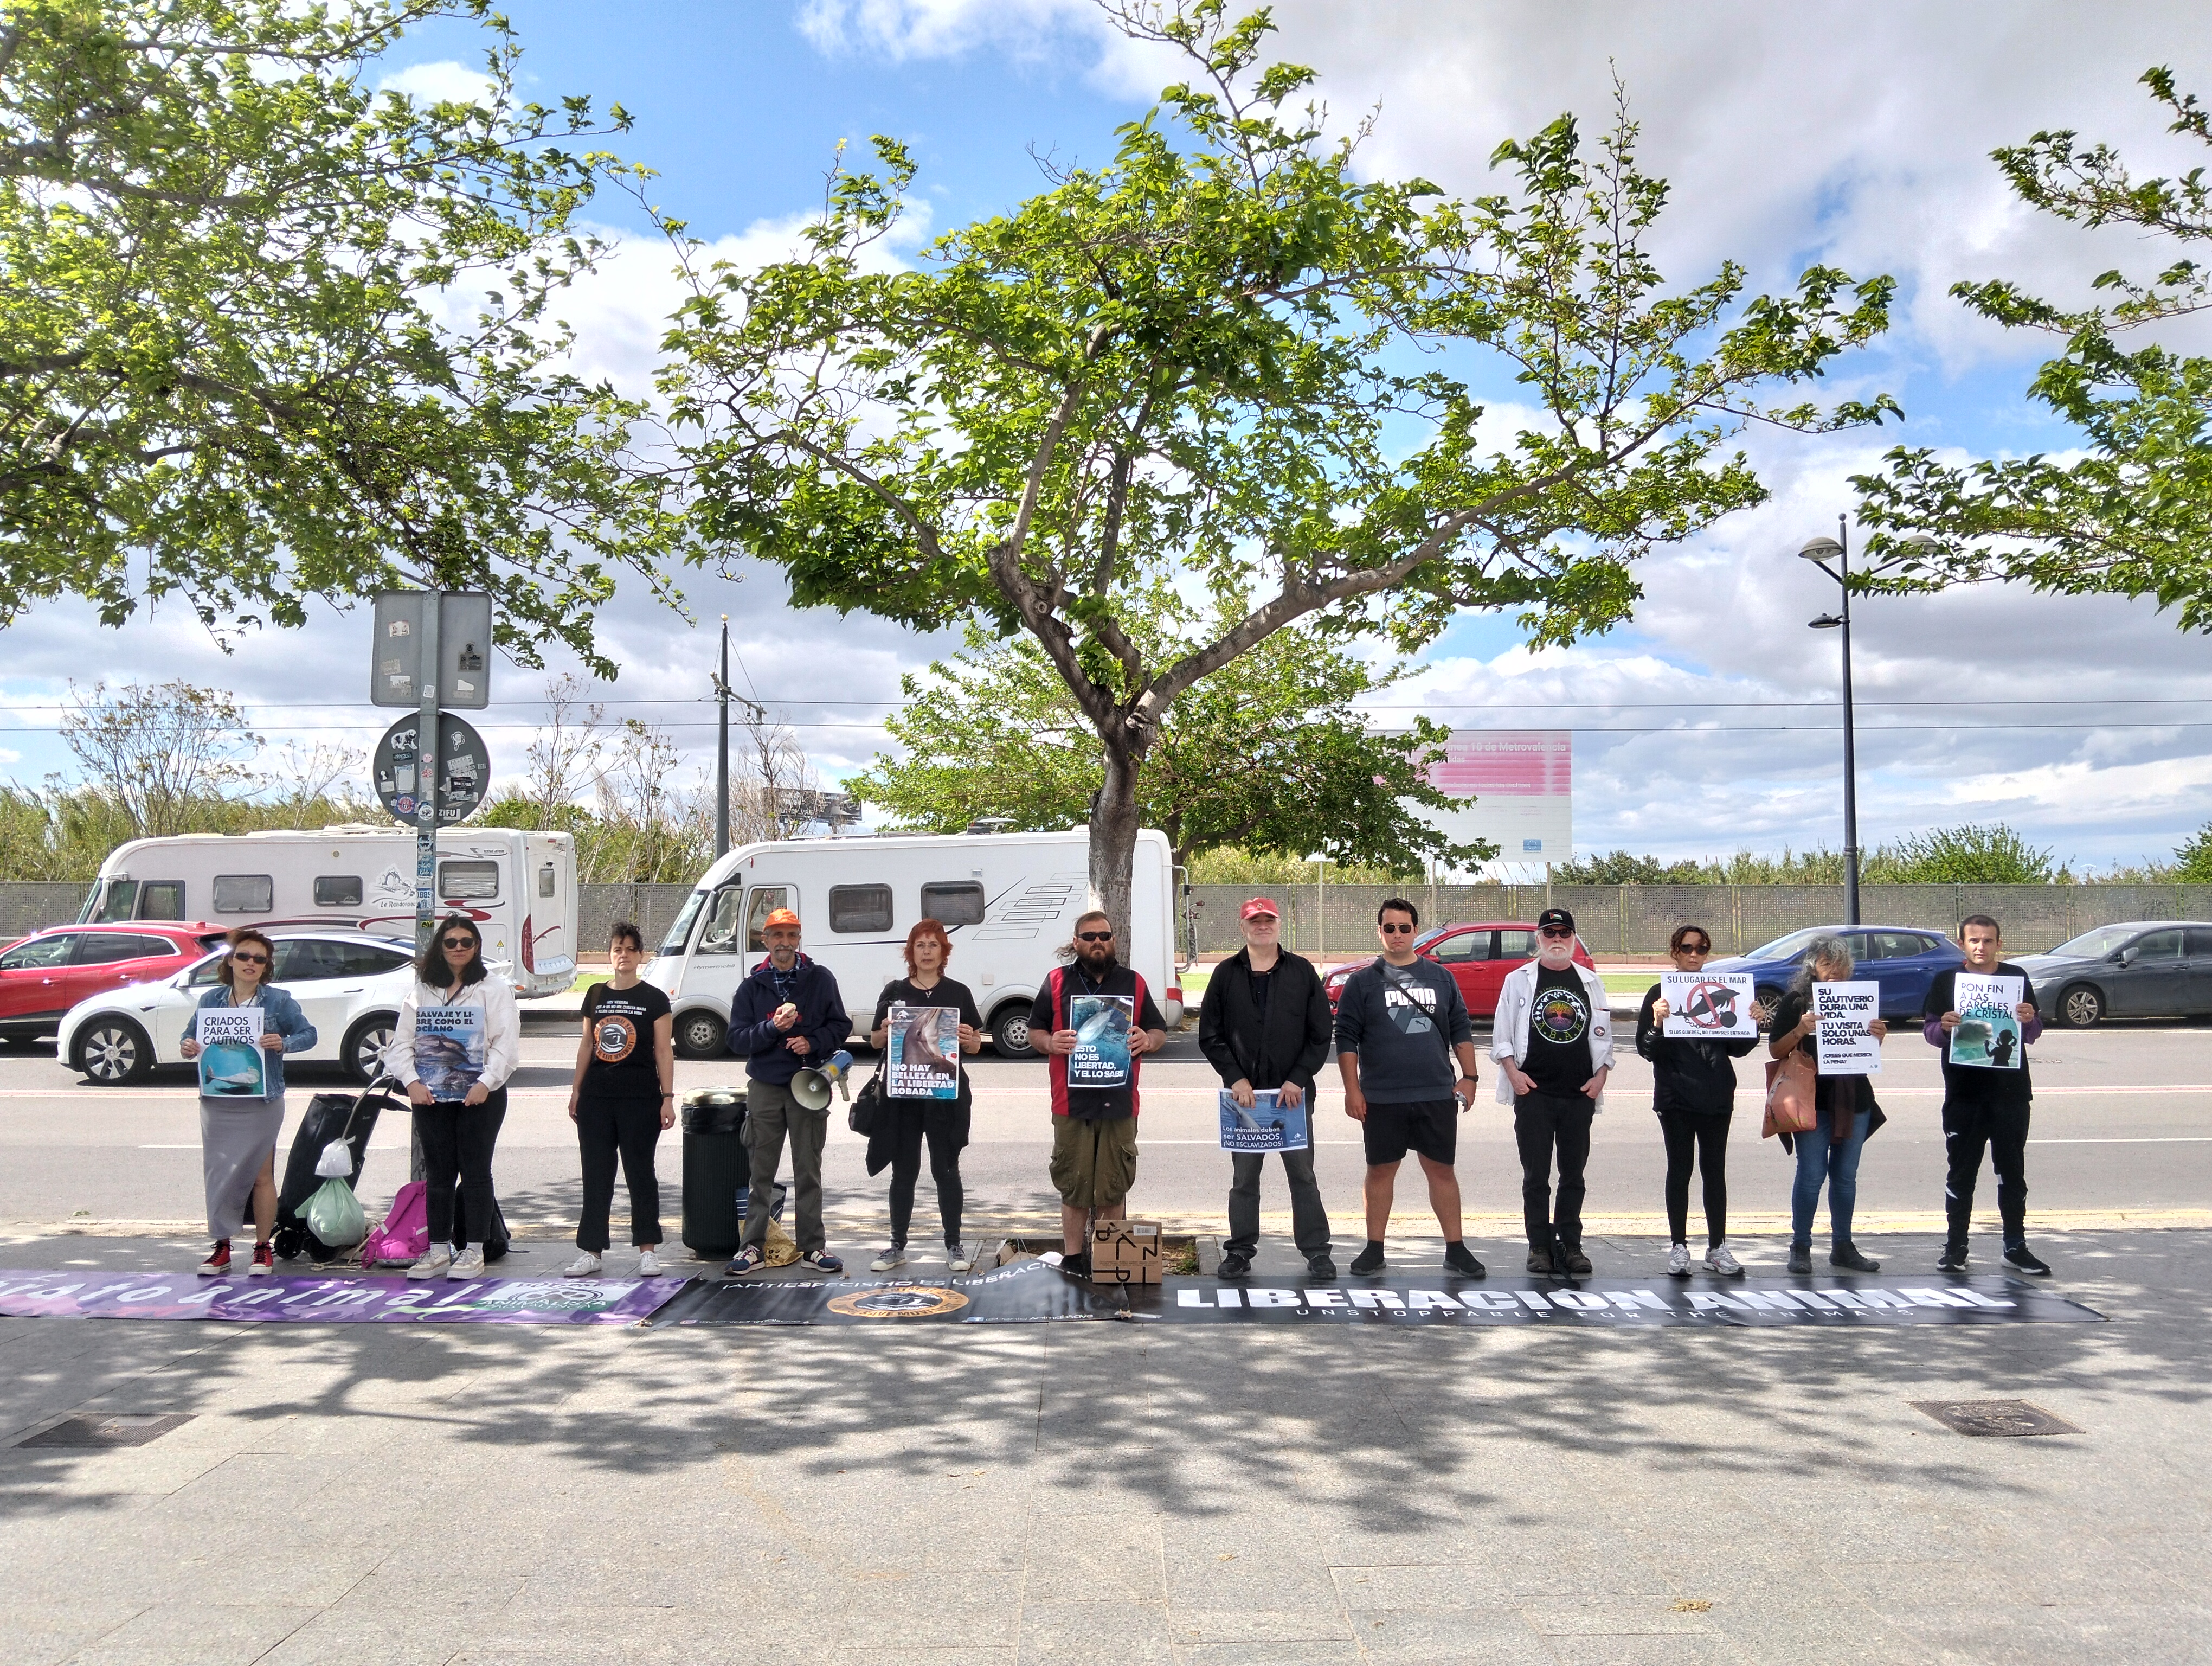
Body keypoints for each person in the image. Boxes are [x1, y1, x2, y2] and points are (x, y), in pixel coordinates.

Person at [1334, 898, 1485, 1279]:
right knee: (1380, 1171)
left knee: (1442, 1170)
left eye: (1404, 928)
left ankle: (1456, 1249)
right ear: (1379, 932)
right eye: (1390, 928)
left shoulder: (1441, 978)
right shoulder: (1362, 982)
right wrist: (1353, 1090)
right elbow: (1346, 1039)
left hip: (1435, 1093)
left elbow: (1461, 1028)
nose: (1397, 934)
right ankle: (1374, 1249)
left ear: (1416, 930)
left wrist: (1470, 1077)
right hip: (1382, 1096)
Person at [1199, 896, 1335, 1278]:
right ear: (1243, 927)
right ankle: (1240, 1251)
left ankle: (1317, 1252)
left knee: (1303, 1177)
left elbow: (1321, 1034)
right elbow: (1210, 1035)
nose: (1262, 926)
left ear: (1279, 924)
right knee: (1244, 1179)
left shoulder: (1302, 971)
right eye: (1254, 921)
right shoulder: (1225, 974)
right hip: (1244, 1100)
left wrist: (1298, 1078)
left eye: (1268, 920)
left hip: (1292, 1097)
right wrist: (1235, 1078)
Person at [1031, 909, 1168, 1277]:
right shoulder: (1056, 981)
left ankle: (1111, 1264)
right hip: (1071, 1102)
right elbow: (1035, 1031)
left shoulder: (1133, 983)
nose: (1097, 942)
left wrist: (1148, 1040)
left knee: (1113, 1187)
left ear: (1113, 941)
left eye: (1104, 936)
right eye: (1089, 936)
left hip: (1119, 1102)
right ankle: (1073, 1261)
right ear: (1076, 942)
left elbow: (1158, 1031)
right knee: (1074, 1186)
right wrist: (1051, 1042)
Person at [179, 927, 316, 1276]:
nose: (251, 963)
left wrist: (283, 1043)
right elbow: (189, 1037)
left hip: (262, 1101)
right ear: (230, 961)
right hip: (218, 1103)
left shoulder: (278, 1001)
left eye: (259, 959)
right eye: (243, 956)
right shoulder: (211, 1000)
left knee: (261, 1175)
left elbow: (309, 1034)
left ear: (267, 966)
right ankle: (222, 1248)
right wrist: (188, 1046)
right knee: (220, 1174)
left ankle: (262, 1247)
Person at [726, 906, 851, 1277]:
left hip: (808, 1084)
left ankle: (813, 1247)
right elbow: (736, 1039)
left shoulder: (820, 979)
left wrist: (811, 1043)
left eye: (791, 935)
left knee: (808, 1169)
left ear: (799, 940)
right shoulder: (752, 986)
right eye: (777, 935)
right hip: (765, 1086)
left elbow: (840, 1026)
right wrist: (773, 1029)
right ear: (765, 941)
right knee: (760, 1173)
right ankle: (752, 1248)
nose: (785, 942)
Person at [1635, 923, 1764, 1277]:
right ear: (1675, 953)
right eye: (1687, 948)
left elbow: (1738, 1047)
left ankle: (1717, 1247)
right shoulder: (1659, 994)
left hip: (1716, 1093)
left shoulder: (1722, 990)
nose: (1694, 955)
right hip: (1675, 1096)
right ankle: (1679, 1246)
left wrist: (1753, 1023)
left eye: (1702, 949)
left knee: (1714, 1170)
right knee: (1680, 1169)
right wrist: (1657, 1024)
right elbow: (1646, 1049)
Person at [396, 914, 521, 1280]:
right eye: (451, 942)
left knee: (476, 1171)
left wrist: (486, 1083)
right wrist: (411, 1082)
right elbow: (401, 1043)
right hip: (431, 1097)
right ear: (441, 947)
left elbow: (506, 1044)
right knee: (439, 1174)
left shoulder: (493, 989)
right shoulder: (422, 991)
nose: (459, 948)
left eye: (467, 942)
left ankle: (474, 1250)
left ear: (477, 946)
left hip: (480, 1097)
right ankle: (437, 1250)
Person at [1494, 907, 1615, 1274]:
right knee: (1536, 1177)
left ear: (1574, 939)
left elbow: (1604, 1037)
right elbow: (1502, 1037)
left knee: (1573, 1175)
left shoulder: (1590, 982)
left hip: (1580, 1094)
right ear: (1539, 939)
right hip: (1535, 1094)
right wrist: (1514, 1076)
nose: (1557, 940)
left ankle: (1570, 1244)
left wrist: (1601, 1076)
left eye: (1564, 933)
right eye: (1550, 933)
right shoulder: (1519, 980)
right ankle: (1539, 1247)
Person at [1925, 915, 2048, 1275]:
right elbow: (1930, 1032)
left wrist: (2029, 1020)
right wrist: (1944, 1028)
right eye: (1974, 940)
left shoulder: (2016, 978)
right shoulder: (1947, 981)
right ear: (1962, 944)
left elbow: (2033, 1032)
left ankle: (2015, 1246)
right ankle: (1956, 1247)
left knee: (2012, 1172)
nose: (1981, 947)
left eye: (1988, 941)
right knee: (1961, 1173)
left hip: (2010, 1093)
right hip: (1964, 1092)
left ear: (1999, 944)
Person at [867, 919, 985, 1274]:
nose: (927, 951)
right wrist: (884, 1032)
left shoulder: (958, 993)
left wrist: (970, 1040)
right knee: (903, 1172)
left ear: (944, 951)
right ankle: (896, 1245)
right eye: (921, 945)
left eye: (934, 945)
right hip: (903, 1099)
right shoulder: (894, 991)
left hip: (946, 1098)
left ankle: (954, 1244)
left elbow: (976, 1045)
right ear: (911, 952)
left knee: (946, 1170)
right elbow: (874, 1041)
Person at [1766, 934, 1888, 1275]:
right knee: (1811, 1175)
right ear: (1813, 969)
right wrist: (1800, 1030)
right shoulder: (1797, 1002)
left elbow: (1863, 1051)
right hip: (1812, 1100)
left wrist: (1877, 1036)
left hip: (1854, 1099)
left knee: (1846, 1177)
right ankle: (1800, 1246)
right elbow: (1775, 1050)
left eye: (1841, 965)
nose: (1834, 971)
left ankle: (1843, 1246)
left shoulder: (1860, 1000)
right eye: (1826, 964)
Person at [563, 921, 676, 1278]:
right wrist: (576, 1090)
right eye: (617, 949)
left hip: (640, 1098)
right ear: (610, 955)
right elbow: (587, 1044)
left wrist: (668, 1098)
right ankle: (591, 1250)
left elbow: (663, 1051)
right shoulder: (595, 994)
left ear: (641, 955)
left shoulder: (655, 999)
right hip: (597, 1097)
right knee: (596, 1174)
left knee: (641, 1174)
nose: (623, 955)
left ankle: (648, 1251)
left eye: (629, 949)